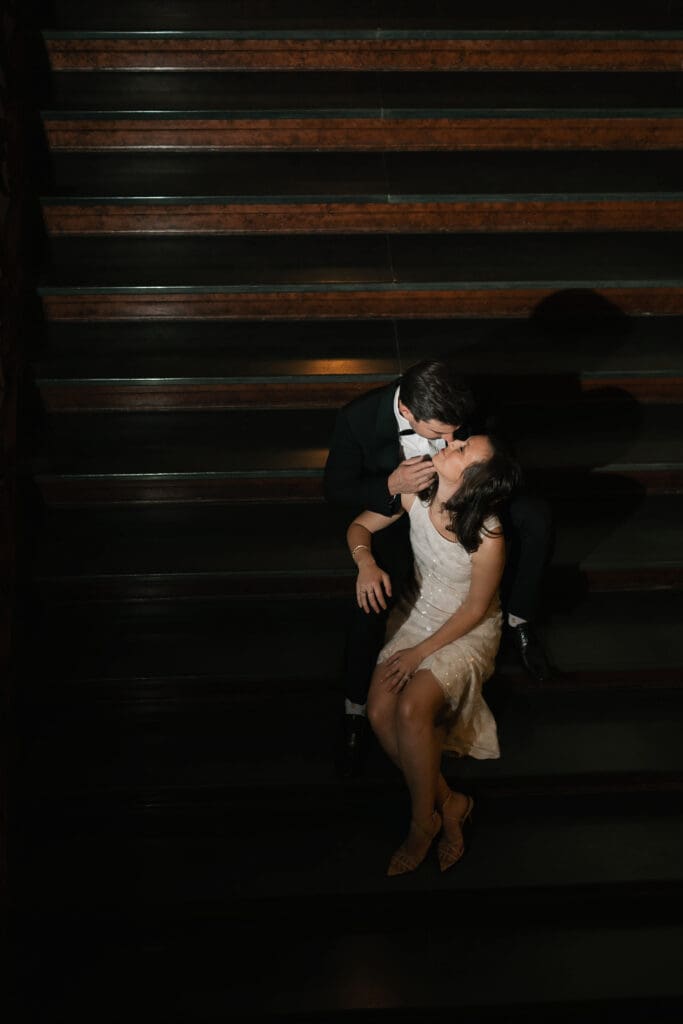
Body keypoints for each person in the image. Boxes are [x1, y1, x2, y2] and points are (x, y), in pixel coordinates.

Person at [324, 359, 553, 777]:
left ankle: (519, 617)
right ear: (408, 414)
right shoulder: (357, 420)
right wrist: (391, 487)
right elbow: (336, 492)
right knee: (371, 597)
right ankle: (354, 708)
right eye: (438, 433)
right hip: (403, 505)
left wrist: (475, 497)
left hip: (471, 494)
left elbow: (494, 456)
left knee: (535, 517)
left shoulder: (457, 401)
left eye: (456, 433)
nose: (449, 439)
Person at [347, 434, 520, 875]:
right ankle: (450, 802)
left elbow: (476, 608)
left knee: (410, 709)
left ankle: (422, 823)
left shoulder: (488, 532)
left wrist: (419, 653)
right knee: (379, 711)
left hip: (467, 628)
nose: (453, 441)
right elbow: (358, 527)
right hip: (419, 611)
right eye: (461, 440)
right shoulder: (414, 497)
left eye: (463, 450)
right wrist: (365, 562)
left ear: (471, 482)